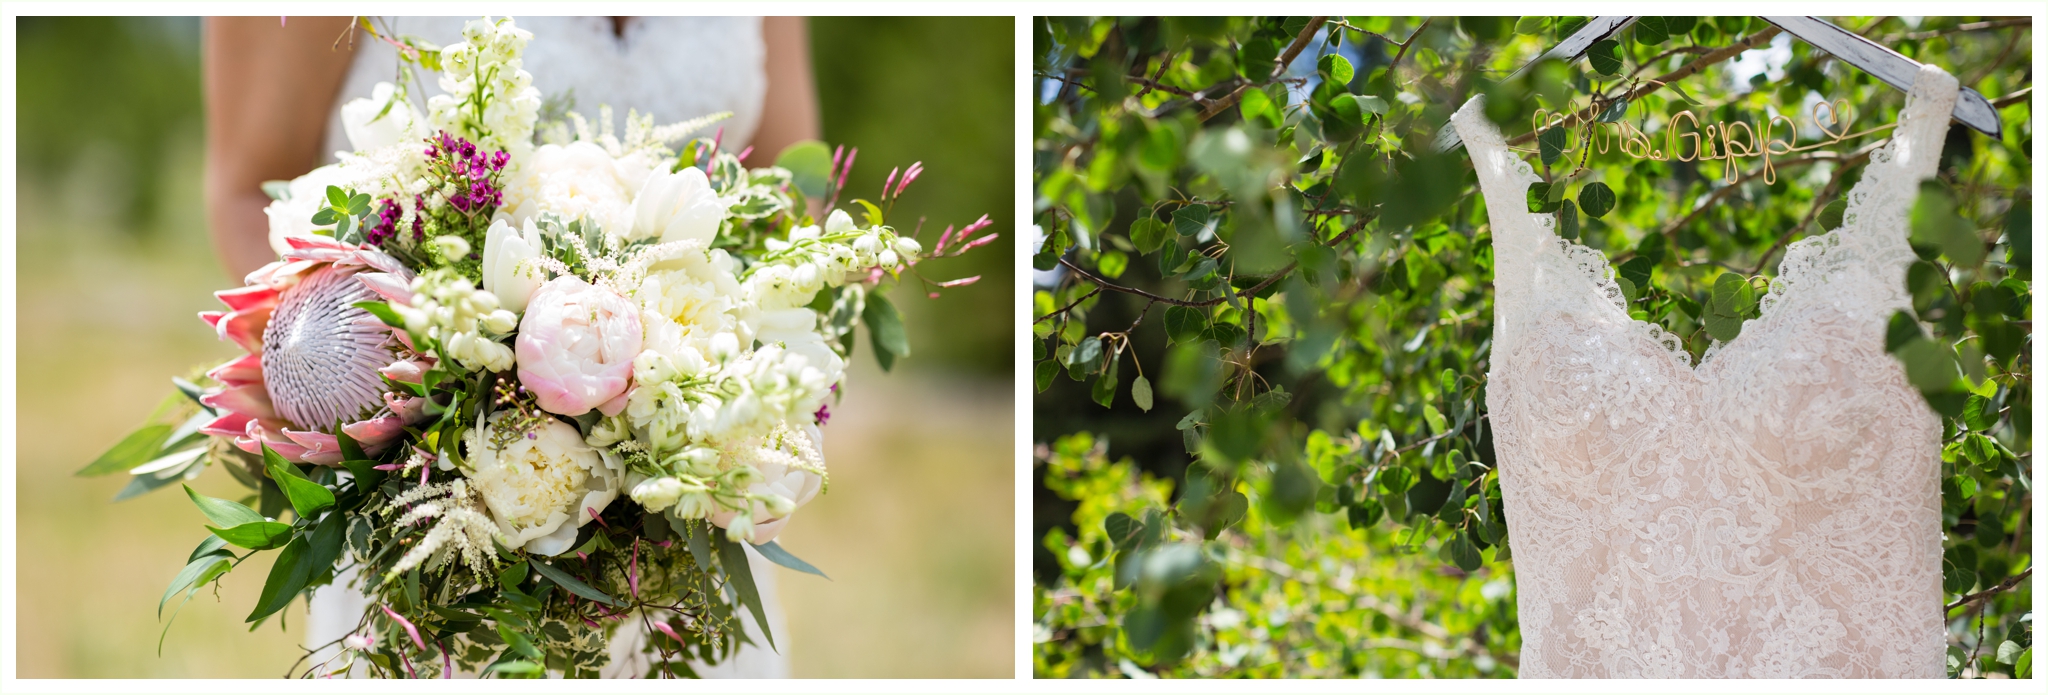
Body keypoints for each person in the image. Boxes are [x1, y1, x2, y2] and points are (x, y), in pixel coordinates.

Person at [200, 16, 819, 678]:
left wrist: (688, 405)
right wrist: (443, 427)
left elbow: (794, 187)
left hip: (688, 549)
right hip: (449, 559)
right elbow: (248, 189)